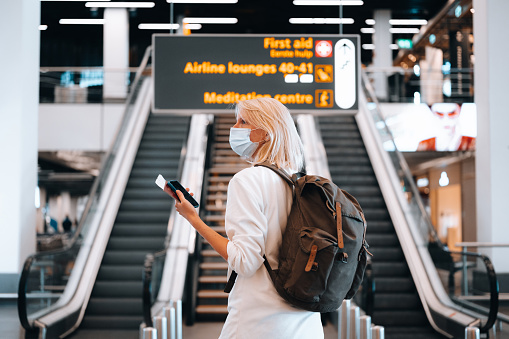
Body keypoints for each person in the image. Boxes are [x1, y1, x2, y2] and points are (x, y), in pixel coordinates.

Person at [172, 98, 324, 338]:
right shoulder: (299, 183)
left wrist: (194, 220)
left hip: (259, 322)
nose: (235, 128)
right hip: (305, 322)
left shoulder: (248, 180)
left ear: (264, 133)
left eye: (243, 121)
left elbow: (245, 261)